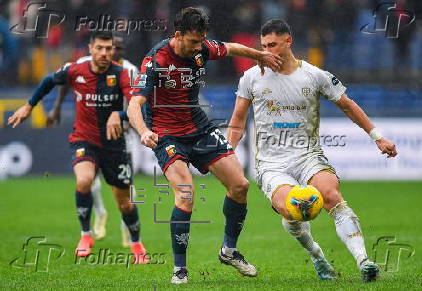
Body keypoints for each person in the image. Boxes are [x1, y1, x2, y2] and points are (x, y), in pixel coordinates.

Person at [227, 19, 398, 282]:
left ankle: (364, 261)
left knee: (331, 195)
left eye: (272, 45)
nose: (266, 51)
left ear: (288, 41)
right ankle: (317, 256)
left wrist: (377, 137)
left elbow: (348, 105)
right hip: (272, 163)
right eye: (262, 46)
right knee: (292, 209)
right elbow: (238, 119)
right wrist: (228, 153)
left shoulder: (314, 75)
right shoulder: (251, 77)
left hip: (308, 155)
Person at [127, 7, 282, 284]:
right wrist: (143, 131)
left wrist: (260, 56)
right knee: (185, 194)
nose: (199, 47)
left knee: (240, 185)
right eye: (193, 42)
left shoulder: (203, 48)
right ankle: (179, 270)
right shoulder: (156, 60)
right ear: (178, 35)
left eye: (201, 41)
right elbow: (134, 104)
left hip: (199, 127)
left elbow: (231, 47)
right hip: (166, 134)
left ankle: (229, 250)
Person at [8, 31, 148, 264]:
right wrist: (29, 106)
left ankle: (136, 244)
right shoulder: (76, 70)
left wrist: (119, 113)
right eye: (100, 48)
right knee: (84, 180)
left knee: (125, 202)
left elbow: (137, 108)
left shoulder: (122, 74)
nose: (104, 53)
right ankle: (85, 236)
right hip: (84, 139)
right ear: (90, 48)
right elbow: (48, 82)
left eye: (108, 49)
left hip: (114, 144)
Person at [46, 34, 138, 247]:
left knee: (124, 188)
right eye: (111, 48)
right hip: (91, 134)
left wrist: (134, 127)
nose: (115, 52)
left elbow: (137, 104)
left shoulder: (131, 71)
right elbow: (65, 82)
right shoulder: (83, 65)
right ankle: (99, 213)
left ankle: (127, 228)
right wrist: (57, 107)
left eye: (118, 48)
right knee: (88, 180)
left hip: (122, 133)